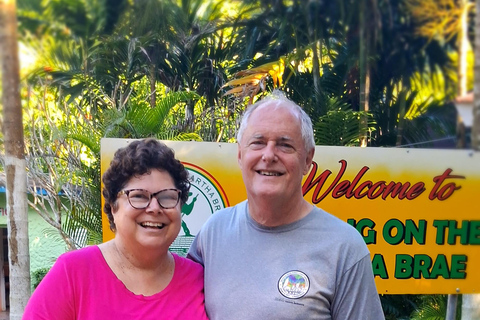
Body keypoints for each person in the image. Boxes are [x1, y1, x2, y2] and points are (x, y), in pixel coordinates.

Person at [187, 91, 384, 320]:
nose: (269, 155)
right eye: (258, 143)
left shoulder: (344, 248)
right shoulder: (213, 233)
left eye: (285, 145)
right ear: (240, 155)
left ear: (308, 160)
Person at [23, 138, 209, 320]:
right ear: (113, 206)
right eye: (138, 196)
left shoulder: (198, 279)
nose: (154, 207)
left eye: (167, 197)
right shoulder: (72, 274)